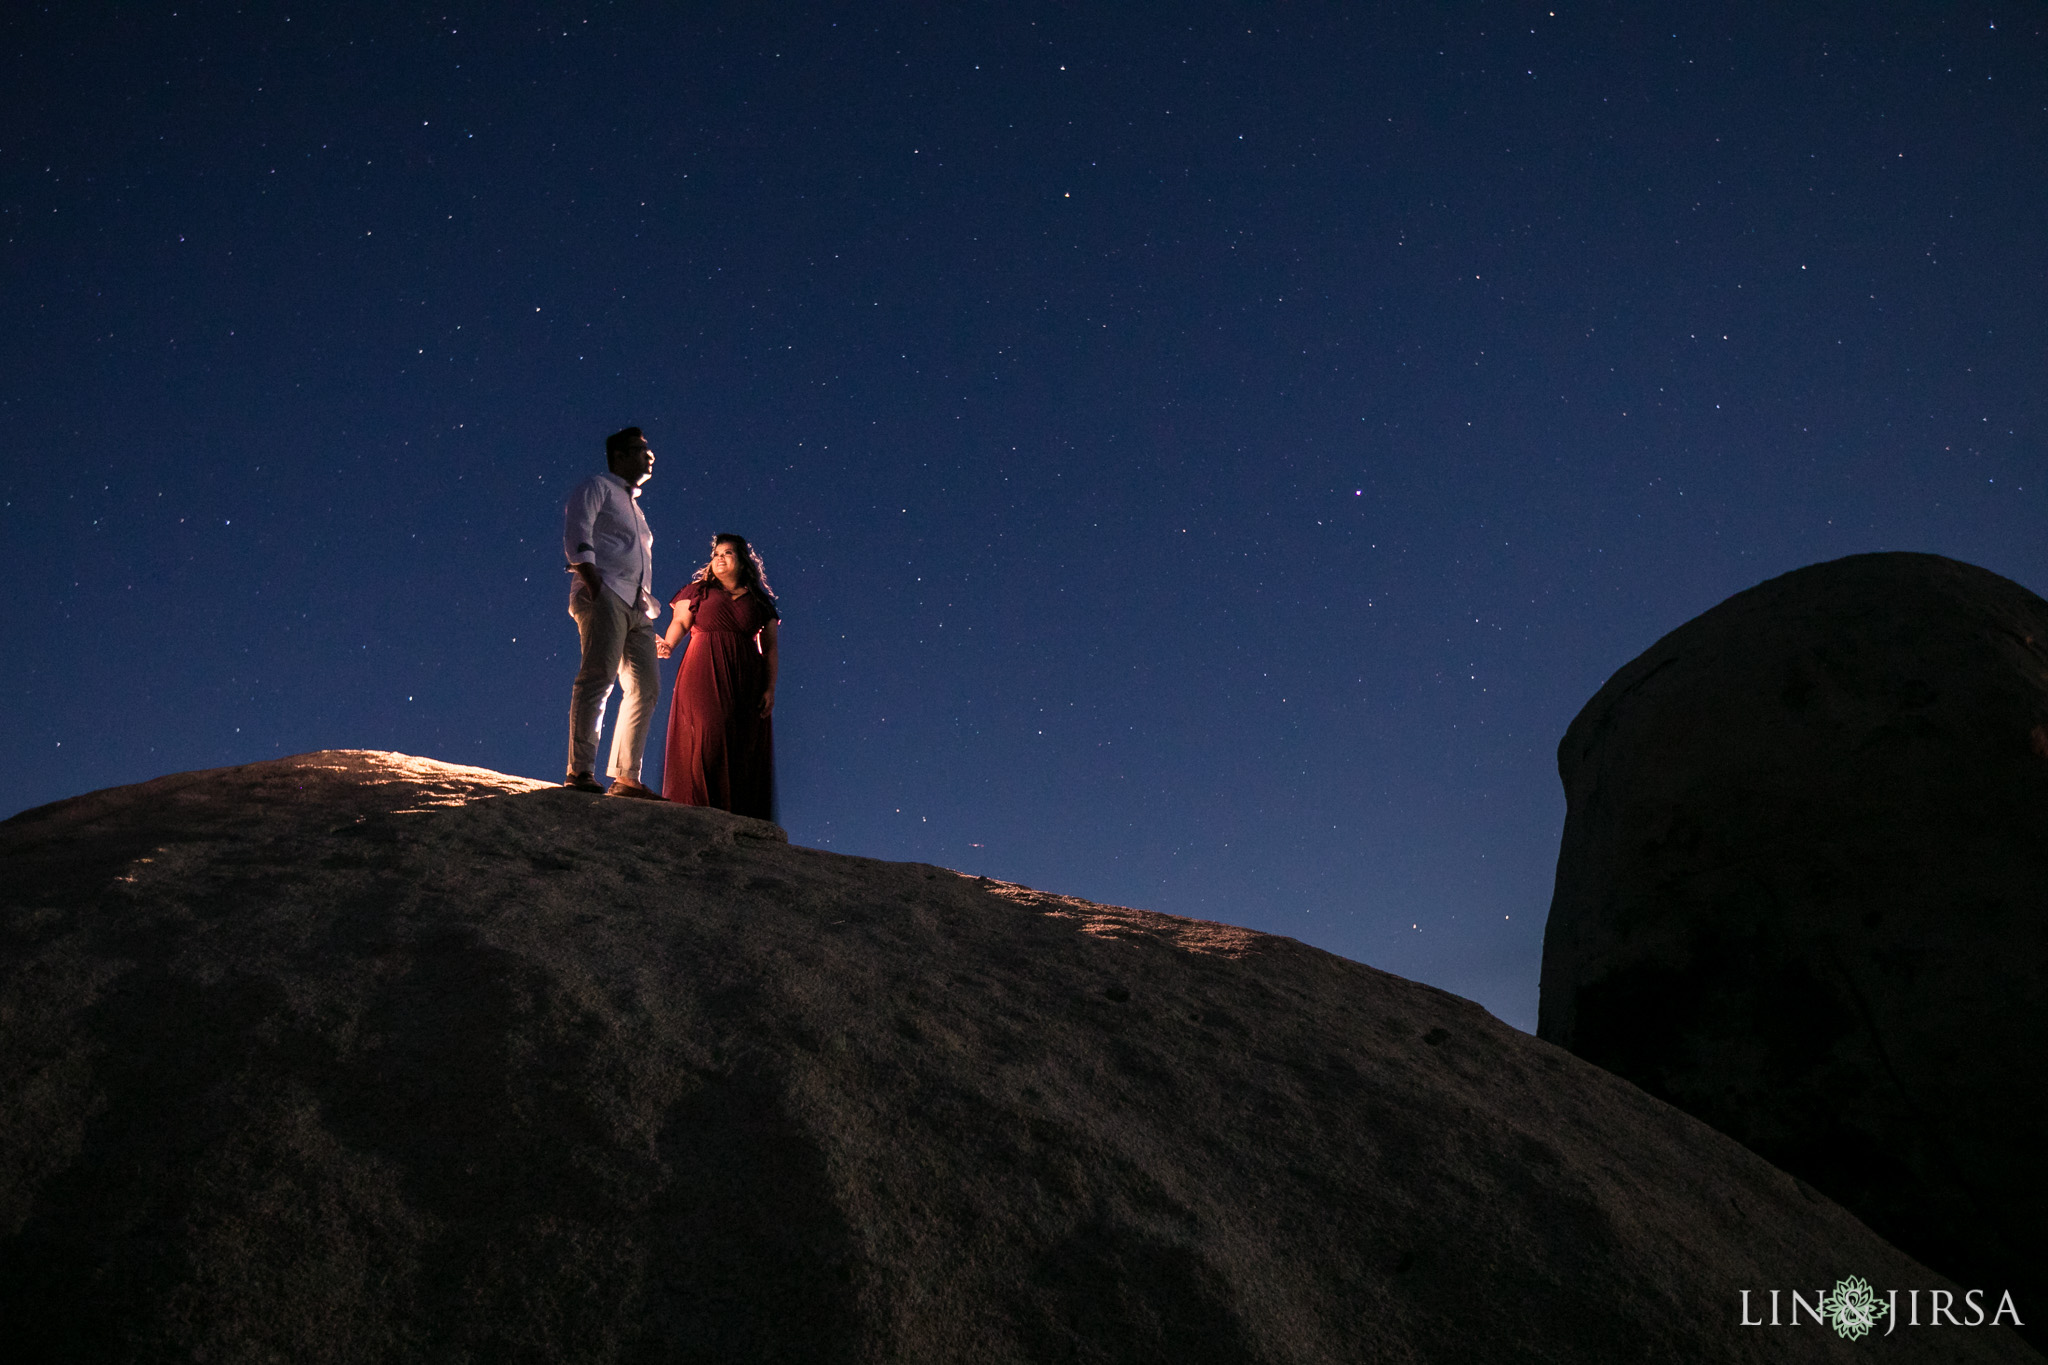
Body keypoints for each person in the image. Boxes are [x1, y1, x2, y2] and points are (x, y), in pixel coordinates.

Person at [561, 427, 665, 798]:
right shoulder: (597, 487)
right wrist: (594, 584)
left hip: (638, 606)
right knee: (598, 678)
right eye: (641, 450)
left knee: (646, 687)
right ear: (619, 455)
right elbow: (578, 530)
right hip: (605, 593)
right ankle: (580, 771)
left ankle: (626, 777)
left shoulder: (633, 505)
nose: (649, 456)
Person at [656, 534, 780, 817]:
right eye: (716, 553)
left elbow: (770, 650)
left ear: (743, 561)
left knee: (740, 743)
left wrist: (770, 688)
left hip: (748, 680)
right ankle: (696, 808)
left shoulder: (760, 602)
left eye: (728, 553)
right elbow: (680, 621)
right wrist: (668, 644)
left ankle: (736, 815)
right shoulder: (698, 591)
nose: (720, 558)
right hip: (703, 670)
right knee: (707, 731)